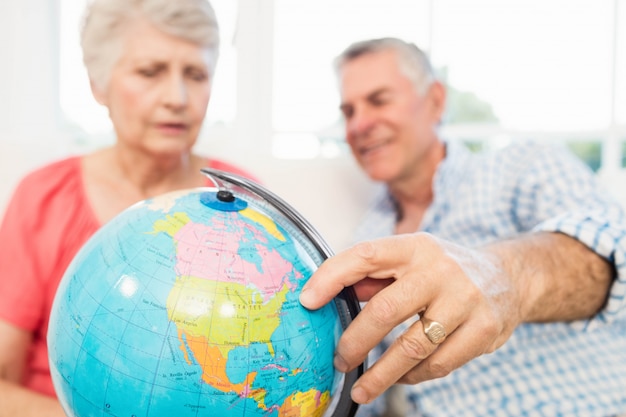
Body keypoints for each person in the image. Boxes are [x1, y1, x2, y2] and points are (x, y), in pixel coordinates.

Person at [299, 37, 626, 416]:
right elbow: (361, 379)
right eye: (349, 110)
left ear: (436, 100)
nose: (360, 124)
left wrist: (506, 277)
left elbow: (612, 246)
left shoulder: (521, 165)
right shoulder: (365, 243)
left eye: (379, 100)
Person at [0, 1, 257, 416]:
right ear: (98, 86)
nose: (177, 97)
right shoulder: (44, 198)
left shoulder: (245, 202)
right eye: (149, 72)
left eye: (195, 74)